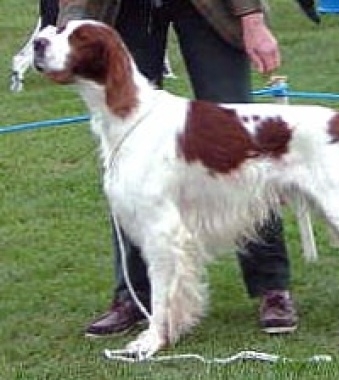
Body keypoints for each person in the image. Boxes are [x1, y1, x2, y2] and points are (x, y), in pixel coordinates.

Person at [56, 0, 299, 337]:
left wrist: (252, 19)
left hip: (208, 9)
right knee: (130, 158)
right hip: (126, 10)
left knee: (246, 146)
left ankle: (272, 288)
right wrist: (66, 27)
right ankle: (134, 297)